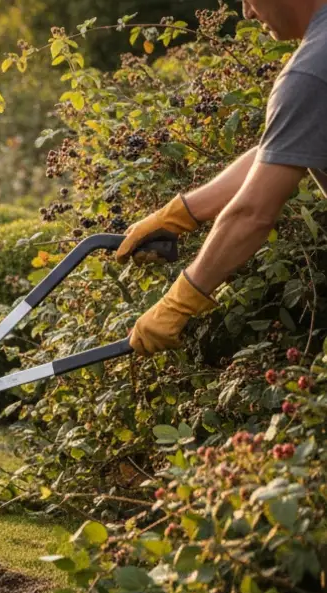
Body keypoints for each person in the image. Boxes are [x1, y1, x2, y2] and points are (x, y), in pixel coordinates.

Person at [119, 0, 327, 356]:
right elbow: (282, 153)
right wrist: (181, 214)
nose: (246, 12)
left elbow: (253, 213)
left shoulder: (311, 71)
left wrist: (181, 300)